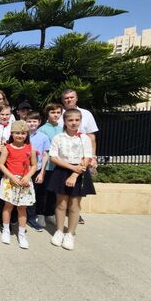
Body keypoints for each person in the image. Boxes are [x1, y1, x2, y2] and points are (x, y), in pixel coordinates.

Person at [47, 108, 96, 250]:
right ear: (65, 121)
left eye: (76, 120)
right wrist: (71, 168)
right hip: (62, 171)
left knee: (74, 205)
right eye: (70, 120)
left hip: (79, 171)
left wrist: (75, 174)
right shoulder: (58, 138)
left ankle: (70, 233)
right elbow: (54, 157)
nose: (74, 123)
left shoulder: (84, 138)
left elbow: (87, 157)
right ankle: (59, 231)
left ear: (80, 121)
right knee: (61, 204)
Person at [59, 89, 99, 225]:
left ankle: (75, 214)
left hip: (82, 158)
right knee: (61, 191)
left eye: (71, 97)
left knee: (77, 191)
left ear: (76, 99)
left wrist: (93, 157)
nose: (69, 100)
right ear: (62, 100)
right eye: (66, 98)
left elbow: (92, 136)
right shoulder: (59, 114)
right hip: (63, 160)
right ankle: (61, 215)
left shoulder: (86, 114)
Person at [0, 120, 37, 249]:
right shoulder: (7, 147)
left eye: (23, 133)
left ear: (27, 134)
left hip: (24, 181)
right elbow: (1, 164)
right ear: (12, 134)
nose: (20, 136)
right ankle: (6, 230)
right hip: (10, 180)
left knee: (22, 208)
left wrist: (28, 176)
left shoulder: (30, 148)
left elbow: (34, 165)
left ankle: (21, 234)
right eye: (17, 133)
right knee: (8, 206)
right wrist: (11, 176)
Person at [38, 103, 64, 226]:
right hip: (46, 166)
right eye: (53, 112)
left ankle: (49, 213)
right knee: (43, 191)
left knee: (54, 191)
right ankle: (40, 214)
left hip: (59, 166)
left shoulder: (62, 129)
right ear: (47, 114)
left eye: (58, 112)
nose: (56, 115)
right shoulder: (42, 129)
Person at [25, 111, 50, 232]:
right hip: (21, 169)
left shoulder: (43, 137)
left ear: (39, 122)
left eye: (34, 121)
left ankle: (31, 218)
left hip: (36, 169)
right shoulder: (21, 135)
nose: (31, 124)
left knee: (32, 195)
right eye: (29, 121)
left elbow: (45, 155)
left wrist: (42, 173)